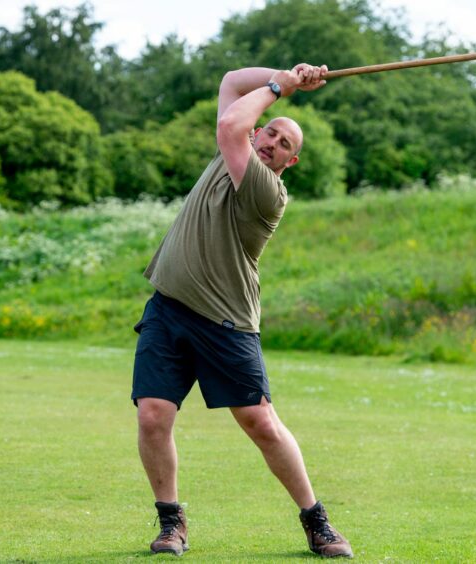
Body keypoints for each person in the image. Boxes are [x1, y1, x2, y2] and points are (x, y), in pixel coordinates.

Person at [130, 63, 353, 559]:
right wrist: (288, 73)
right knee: (152, 416)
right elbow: (232, 83)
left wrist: (279, 90)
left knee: (262, 424)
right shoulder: (232, 147)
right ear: (259, 132)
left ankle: (316, 521)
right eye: (270, 132)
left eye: (284, 145)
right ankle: (172, 523)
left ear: (288, 163)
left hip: (225, 323)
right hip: (168, 310)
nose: (273, 142)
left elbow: (233, 121)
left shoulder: (265, 189)